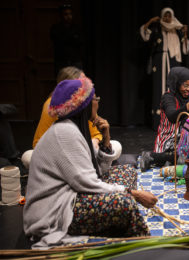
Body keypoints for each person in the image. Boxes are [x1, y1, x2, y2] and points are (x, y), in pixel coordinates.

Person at [24, 78, 158, 249]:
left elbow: (99, 171)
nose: (97, 102)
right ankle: (144, 248)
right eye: (95, 99)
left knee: (127, 171)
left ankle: (115, 223)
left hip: (72, 193)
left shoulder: (75, 128)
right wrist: (133, 193)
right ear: (84, 106)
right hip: (56, 210)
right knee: (126, 203)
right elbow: (88, 183)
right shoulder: (65, 132)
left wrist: (106, 138)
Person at [22, 67, 121, 168]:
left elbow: (95, 135)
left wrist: (101, 140)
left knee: (116, 145)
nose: (87, 87)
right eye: (82, 83)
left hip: (83, 152)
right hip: (61, 157)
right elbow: (38, 145)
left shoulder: (84, 108)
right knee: (28, 157)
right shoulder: (56, 112)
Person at [140, 67, 189, 171]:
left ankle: (168, 161)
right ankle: (152, 156)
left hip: (188, 138)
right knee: (186, 157)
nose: (188, 89)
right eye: (185, 85)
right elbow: (173, 117)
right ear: (176, 83)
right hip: (170, 138)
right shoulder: (168, 97)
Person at [140, 7, 189, 129]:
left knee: (172, 89)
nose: (167, 18)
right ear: (162, 17)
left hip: (173, 62)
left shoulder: (177, 31)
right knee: (159, 89)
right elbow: (144, 35)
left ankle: (173, 120)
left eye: (169, 16)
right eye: (165, 16)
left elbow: (185, 50)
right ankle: (158, 122)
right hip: (160, 61)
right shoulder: (157, 28)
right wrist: (150, 22)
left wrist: (185, 33)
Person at [50, 4, 83, 76]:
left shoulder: (77, 28)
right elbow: (58, 42)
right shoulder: (56, 28)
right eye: (66, 14)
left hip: (75, 60)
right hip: (61, 60)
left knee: (76, 82)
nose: (68, 17)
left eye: (70, 14)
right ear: (61, 16)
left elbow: (79, 42)